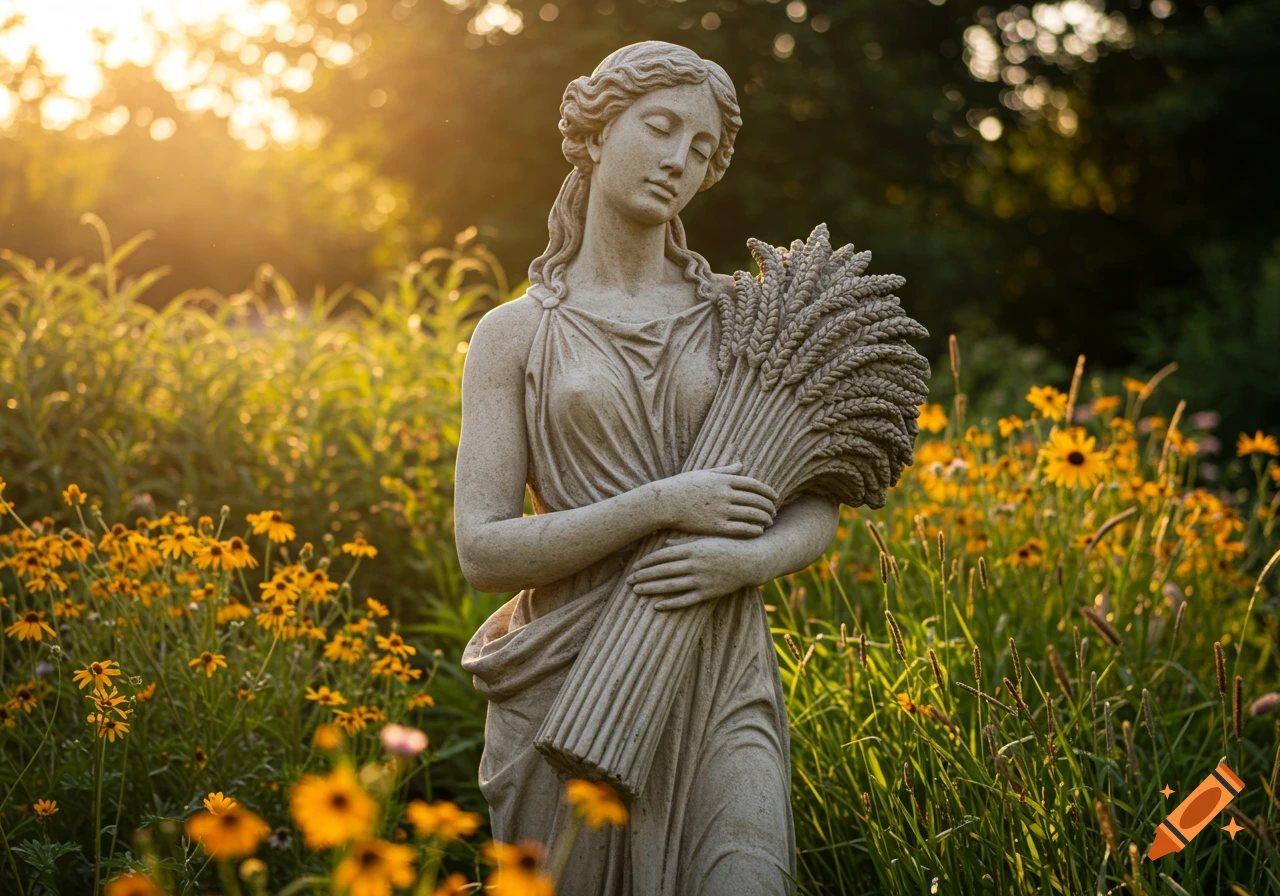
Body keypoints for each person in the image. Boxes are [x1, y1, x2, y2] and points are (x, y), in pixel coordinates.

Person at [454, 40, 840, 895]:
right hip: (567, 685)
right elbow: (481, 552)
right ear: (594, 133)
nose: (678, 160)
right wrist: (662, 504)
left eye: (700, 150)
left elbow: (820, 500)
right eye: (659, 127)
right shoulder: (514, 335)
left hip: (719, 661)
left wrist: (747, 560)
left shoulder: (744, 316)